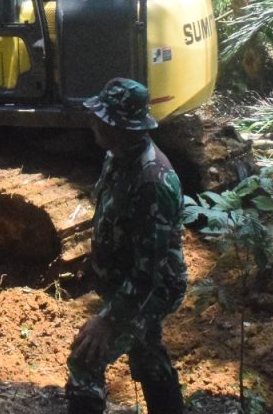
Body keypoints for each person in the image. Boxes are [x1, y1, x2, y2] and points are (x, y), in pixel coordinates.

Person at [67, 77, 188, 414]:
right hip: (127, 282)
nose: (94, 122)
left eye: (102, 118)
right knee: (147, 353)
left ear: (122, 127)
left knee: (85, 359)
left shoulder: (153, 182)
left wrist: (107, 320)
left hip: (152, 289)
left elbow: (148, 273)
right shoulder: (117, 156)